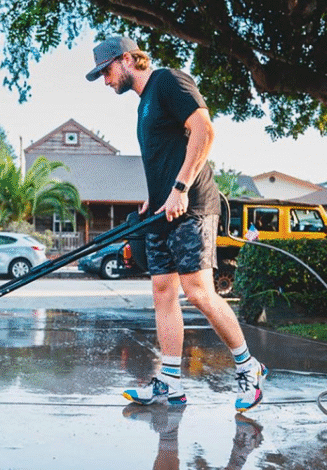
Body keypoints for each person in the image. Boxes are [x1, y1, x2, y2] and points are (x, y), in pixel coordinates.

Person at [85, 36, 267, 412]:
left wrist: (181, 188)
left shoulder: (167, 81)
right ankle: (168, 382)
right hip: (163, 209)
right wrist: (155, 196)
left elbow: (204, 131)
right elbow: (167, 153)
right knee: (162, 293)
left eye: (106, 71)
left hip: (193, 204)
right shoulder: (143, 105)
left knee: (198, 292)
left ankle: (250, 367)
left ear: (126, 59)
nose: (105, 81)